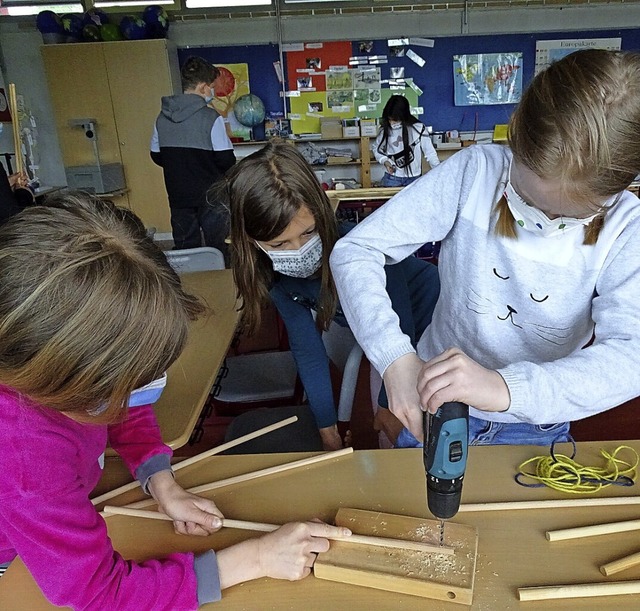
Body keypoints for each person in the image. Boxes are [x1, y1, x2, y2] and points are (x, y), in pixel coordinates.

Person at [0, 192, 350, 609]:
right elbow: (97, 594)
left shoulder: (67, 371)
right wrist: (252, 559)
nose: (136, 393)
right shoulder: (22, 454)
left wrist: (161, 482)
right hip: (16, 559)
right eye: (121, 384)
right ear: (67, 377)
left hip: (58, 515)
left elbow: (124, 401)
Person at [331, 49, 640, 447]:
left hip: (537, 421)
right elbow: (356, 251)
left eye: (562, 216)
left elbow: (631, 356)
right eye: (527, 199)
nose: (540, 221)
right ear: (516, 133)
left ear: (611, 194)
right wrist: (394, 356)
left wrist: (504, 388)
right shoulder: (475, 172)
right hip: (438, 405)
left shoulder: (626, 227)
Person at [224, 141, 440, 451]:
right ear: (252, 242)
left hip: (427, 317)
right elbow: (307, 350)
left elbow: (398, 327)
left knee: (413, 423)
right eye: (279, 244)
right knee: (388, 432)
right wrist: (329, 433)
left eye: (308, 233)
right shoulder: (274, 277)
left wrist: (386, 409)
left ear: (322, 214)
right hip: (378, 333)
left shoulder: (361, 248)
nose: (297, 250)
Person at [151, 56, 235, 258]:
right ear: (203, 87)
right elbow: (226, 160)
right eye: (212, 87)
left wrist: (180, 167)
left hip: (178, 194)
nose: (213, 92)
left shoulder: (161, 118)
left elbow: (156, 155)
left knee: (185, 250)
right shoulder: (210, 117)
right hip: (211, 195)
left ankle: (189, 285)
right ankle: (221, 282)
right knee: (218, 247)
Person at [373, 95, 440, 187]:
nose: (392, 123)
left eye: (395, 120)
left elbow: (430, 153)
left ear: (403, 116)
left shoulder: (418, 128)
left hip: (414, 178)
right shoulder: (385, 129)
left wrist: (440, 172)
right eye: (389, 120)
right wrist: (385, 161)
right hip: (392, 178)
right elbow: (376, 149)